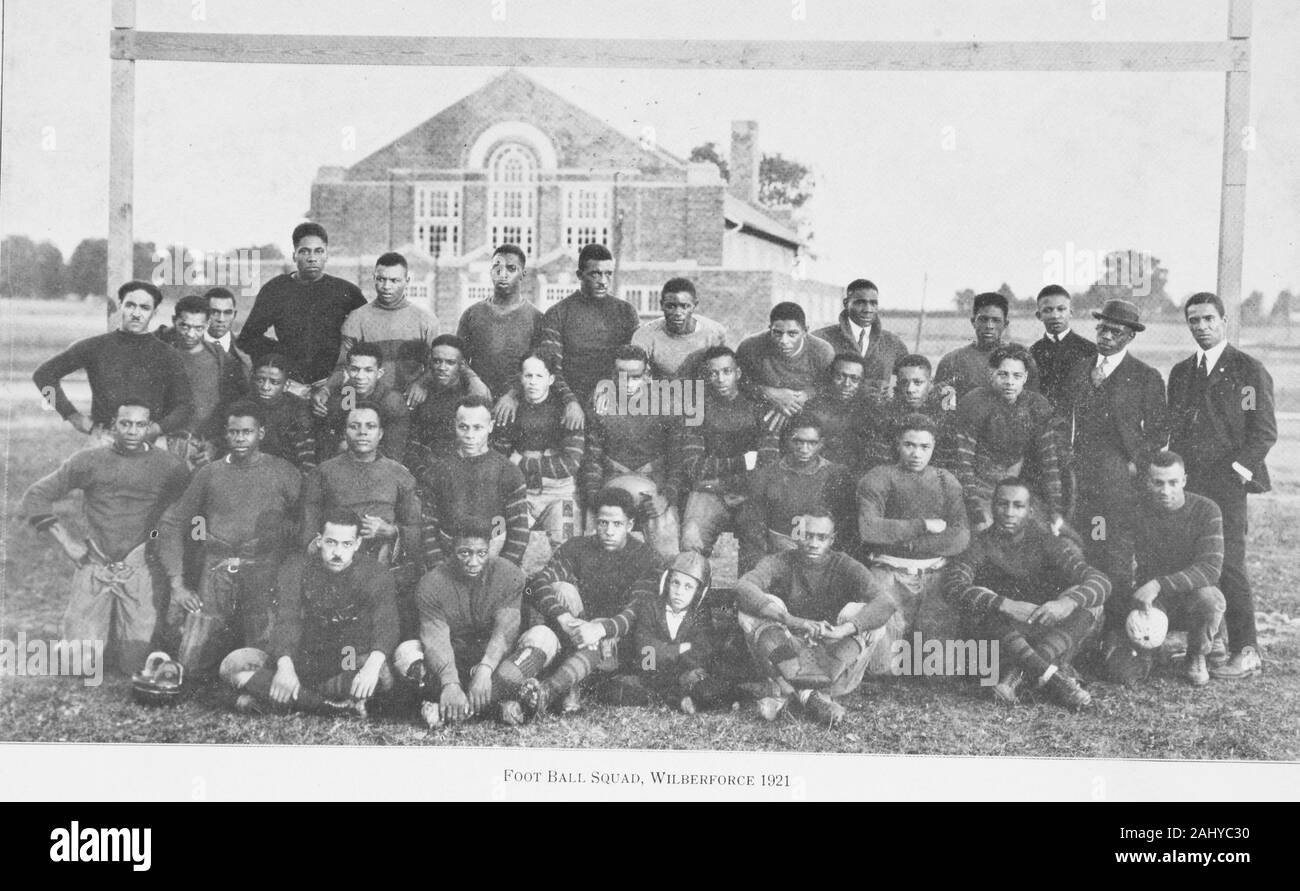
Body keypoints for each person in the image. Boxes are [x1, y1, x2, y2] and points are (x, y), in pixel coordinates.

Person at [19, 402, 190, 674]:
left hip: (141, 566)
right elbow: (35, 496)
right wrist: (67, 543)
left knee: (135, 664)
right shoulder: (89, 460)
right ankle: (97, 631)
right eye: (125, 423)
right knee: (78, 666)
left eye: (140, 424)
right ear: (113, 425)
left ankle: (139, 631)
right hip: (96, 563)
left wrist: (154, 542)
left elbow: (174, 522)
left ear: (150, 427)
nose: (133, 431)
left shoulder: (171, 466)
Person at [1166, 292, 1274, 680]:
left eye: (1209, 319)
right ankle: (1211, 642)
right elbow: (1176, 433)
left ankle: (1247, 651)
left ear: (1224, 321)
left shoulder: (1247, 371)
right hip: (1190, 485)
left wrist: (1235, 474)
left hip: (1228, 487)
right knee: (1194, 560)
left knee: (1229, 564)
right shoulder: (1181, 373)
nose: (1202, 327)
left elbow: (1262, 434)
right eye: (1194, 320)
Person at [158, 400, 303, 679]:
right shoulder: (210, 473)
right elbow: (173, 523)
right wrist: (177, 584)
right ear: (226, 434)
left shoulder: (284, 472)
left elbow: (304, 523)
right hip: (217, 566)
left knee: (264, 655)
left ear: (260, 433)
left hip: (263, 566)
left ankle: (254, 683)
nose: (239, 438)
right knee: (192, 663)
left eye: (246, 432)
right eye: (234, 432)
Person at [944, 478, 1110, 709]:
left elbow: (1100, 581)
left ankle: (1017, 675)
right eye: (1003, 504)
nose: (1009, 513)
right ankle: (1055, 679)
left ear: (1030, 511)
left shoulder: (1047, 541)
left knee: (1090, 600)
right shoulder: (980, 545)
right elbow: (953, 585)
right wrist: (1005, 604)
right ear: (992, 507)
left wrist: (1067, 604)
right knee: (980, 599)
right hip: (1002, 636)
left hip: (1044, 630)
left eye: (1018, 506)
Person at [218, 509, 399, 717]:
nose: (338, 552)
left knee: (383, 675)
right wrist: (285, 667)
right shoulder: (297, 567)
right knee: (233, 665)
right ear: (319, 540)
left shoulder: (375, 573)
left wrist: (371, 668)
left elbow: (387, 624)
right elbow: (287, 618)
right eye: (331, 542)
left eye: (346, 544)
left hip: (345, 666)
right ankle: (328, 707)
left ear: (357, 544)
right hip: (303, 663)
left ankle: (286, 700)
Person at [510, 488, 666, 722]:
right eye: (603, 523)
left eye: (617, 524)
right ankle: (567, 685)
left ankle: (559, 688)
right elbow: (536, 583)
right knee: (563, 589)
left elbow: (637, 609)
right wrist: (565, 617)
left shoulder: (646, 557)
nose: (609, 531)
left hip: (615, 641)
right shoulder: (577, 547)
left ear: (630, 525)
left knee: (609, 633)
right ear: (595, 522)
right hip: (575, 630)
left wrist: (601, 629)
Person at [735, 509, 898, 727]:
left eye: (821, 537)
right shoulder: (781, 560)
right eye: (807, 535)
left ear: (832, 539)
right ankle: (809, 697)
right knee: (751, 610)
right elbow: (744, 586)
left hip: (832, 654)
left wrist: (844, 629)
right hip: (788, 650)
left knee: (866, 615)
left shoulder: (844, 564)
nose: (813, 543)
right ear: (796, 535)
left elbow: (886, 602)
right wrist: (791, 620)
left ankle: (794, 695)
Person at [390, 519, 549, 727]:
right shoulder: (431, 583)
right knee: (406, 652)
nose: (473, 561)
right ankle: (494, 705)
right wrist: (450, 682)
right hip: (452, 659)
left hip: (495, 662)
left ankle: (457, 708)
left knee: (544, 637)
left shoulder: (509, 574)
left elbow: (504, 633)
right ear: (451, 549)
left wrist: (485, 669)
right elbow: (435, 639)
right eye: (464, 553)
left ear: (490, 548)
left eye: (481, 553)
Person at [1098, 452, 1226, 688]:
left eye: (1173, 482)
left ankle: (1197, 653)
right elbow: (1119, 563)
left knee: (1210, 598)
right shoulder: (1134, 510)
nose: (1165, 490)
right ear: (1147, 482)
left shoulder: (1207, 510)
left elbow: (1210, 569)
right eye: (1158, 483)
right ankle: (1153, 651)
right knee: (1123, 675)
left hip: (1191, 596)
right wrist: (1130, 603)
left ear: (1184, 480)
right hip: (1151, 601)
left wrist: (1158, 584)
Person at [1060, 299, 1167, 578]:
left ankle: (1115, 616)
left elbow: (1158, 432)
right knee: (1081, 540)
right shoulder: (1080, 369)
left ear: (1130, 336)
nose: (1106, 336)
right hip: (1079, 473)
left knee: (1115, 547)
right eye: (1102, 329)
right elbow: (1065, 419)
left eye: (1116, 332)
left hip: (1119, 478)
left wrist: (1135, 464)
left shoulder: (1146, 376)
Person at [564, 551, 738, 714]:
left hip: (683, 676)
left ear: (699, 592)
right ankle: (677, 699)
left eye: (688, 587)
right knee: (618, 691)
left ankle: (684, 697)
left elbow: (702, 650)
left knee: (705, 686)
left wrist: (669, 655)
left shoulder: (700, 614)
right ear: (667, 581)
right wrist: (679, 649)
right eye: (675, 583)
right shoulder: (650, 606)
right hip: (649, 675)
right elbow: (646, 650)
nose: (679, 592)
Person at [493, 242, 638, 429]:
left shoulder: (626, 312)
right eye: (595, 274)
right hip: (567, 402)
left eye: (608, 274)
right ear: (579, 275)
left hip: (614, 397)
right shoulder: (558, 313)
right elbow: (550, 365)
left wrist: (609, 388)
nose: (603, 281)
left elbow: (634, 363)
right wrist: (571, 401)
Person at [857, 414, 971, 646]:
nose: (916, 453)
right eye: (909, 445)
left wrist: (911, 544)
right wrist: (923, 525)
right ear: (897, 443)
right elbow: (869, 528)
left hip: (934, 573)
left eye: (924, 446)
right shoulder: (880, 476)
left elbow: (961, 535)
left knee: (939, 672)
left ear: (933, 447)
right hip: (888, 571)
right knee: (881, 668)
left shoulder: (945, 480)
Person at [33, 280, 193, 440]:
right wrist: (72, 416)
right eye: (130, 305)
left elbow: (185, 405)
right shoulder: (95, 346)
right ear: (120, 305)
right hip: (105, 439)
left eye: (144, 308)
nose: (136, 313)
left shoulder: (167, 354)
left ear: (154, 312)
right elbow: (43, 375)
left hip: (149, 444)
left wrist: (157, 428)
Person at [677, 345, 779, 561]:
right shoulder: (696, 411)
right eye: (713, 373)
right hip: (709, 493)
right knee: (690, 542)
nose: (720, 379)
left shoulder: (758, 409)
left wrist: (727, 480)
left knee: (757, 543)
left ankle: (748, 592)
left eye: (726, 372)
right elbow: (694, 467)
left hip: (748, 490)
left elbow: (768, 463)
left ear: (737, 373)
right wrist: (743, 461)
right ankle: (693, 592)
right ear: (705, 376)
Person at [236, 222, 366, 389]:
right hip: (290, 385)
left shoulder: (346, 291)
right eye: (304, 251)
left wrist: (341, 371)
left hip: (334, 384)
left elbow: (366, 337)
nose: (312, 258)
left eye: (319, 251)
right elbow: (248, 338)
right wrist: (282, 358)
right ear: (294, 256)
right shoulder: (276, 289)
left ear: (327, 255)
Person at [579, 345, 680, 556]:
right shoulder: (599, 400)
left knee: (665, 538)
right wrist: (594, 496)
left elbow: (677, 457)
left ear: (647, 374)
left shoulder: (666, 401)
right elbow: (592, 456)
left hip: (653, 483)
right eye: (621, 376)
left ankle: (663, 584)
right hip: (612, 481)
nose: (627, 383)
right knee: (592, 540)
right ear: (613, 374)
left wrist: (666, 496)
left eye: (635, 376)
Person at [952, 345, 1063, 530]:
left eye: (1017, 376)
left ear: (1025, 377)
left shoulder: (1036, 405)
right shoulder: (975, 402)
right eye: (1003, 374)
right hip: (981, 488)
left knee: (1043, 533)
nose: (1010, 381)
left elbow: (1049, 463)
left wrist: (1055, 511)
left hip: (1015, 489)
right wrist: (976, 512)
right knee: (986, 531)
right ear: (991, 373)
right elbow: (963, 464)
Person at [301, 402, 422, 570]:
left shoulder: (399, 474)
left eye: (370, 426)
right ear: (344, 433)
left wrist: (392, 531)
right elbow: (309, 526)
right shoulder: (323, 472)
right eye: (354, 426)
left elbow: (416, 527)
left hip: (383, 562)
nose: (362, 432)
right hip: (335, 560)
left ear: (380, 433)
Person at [490, 353, 585, 566]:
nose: (533, 382)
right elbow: (499, 458)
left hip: (560, 494)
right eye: (528, 375)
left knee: (568, 542)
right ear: (520, 378)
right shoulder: (509, 409)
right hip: (519, 491)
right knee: (495, 538)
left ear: (551, 379)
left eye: (539, 376)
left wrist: (520, 460)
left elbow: (569, 465)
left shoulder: (568, 411)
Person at [416, 395, 530, 568]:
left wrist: (500, 572)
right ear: (455, 425)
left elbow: (519, 532)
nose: (470, 435)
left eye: (477, 428)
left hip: (494, 559)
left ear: (490, 427)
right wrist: (439, 570)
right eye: (463, 427)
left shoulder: (509, 472)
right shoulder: (437, 472)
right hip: (448, 562)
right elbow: (428, 530)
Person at [737, 415, 856, 574]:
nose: (804, 449)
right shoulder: (767, 475)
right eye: (798, 441)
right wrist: (763, 568)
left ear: (821, 443)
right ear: (787, 440)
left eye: (812, 443)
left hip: (820, 558)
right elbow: (753, 531)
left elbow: (845, 529)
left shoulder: (836, 475)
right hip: (776, 556)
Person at [321, 251, 439, 404]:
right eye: (381, 279)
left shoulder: (426, 320)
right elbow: (343, 368)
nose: (386, 286)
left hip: (410, 402)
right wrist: (326, 390)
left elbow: (436, 364)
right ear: (374, 278)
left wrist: (421, 384)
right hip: (368, 404)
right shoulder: (356, 319)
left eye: (394, 280)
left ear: (407, 281)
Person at [155, 294, 249, 467]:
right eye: (184, 326)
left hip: (206, 450)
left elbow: (234, 409)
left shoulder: (224, 361)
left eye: (198, 328)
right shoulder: (160, 356)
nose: (190, 334)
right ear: (174, 321)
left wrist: (217, 446)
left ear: (207, 325)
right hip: (164, 447)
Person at [456, 244, 545, 400]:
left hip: (519, 402)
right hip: (480, 398)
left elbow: (539, 367)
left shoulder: (536, 318)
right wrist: (474, 381)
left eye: (511, 269)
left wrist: (513, 396)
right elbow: (458, 358)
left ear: (522, 274)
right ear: (491, 272)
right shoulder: (472, 314)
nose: (503, 274)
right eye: (497, 268)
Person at [735, 302, 836, 430]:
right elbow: (737, 382)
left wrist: (806, 395)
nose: (784, 341)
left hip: (807, 414)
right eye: (777, 333)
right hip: (763, 413)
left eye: (792, 334)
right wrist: (767, 392)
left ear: (805, 331)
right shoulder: (750, 347)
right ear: (769, 328)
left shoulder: (822, 351)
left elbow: (830, 386)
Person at [812, 279, 908, 403]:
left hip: (877, 416)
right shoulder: (821, 338)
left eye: (873, 303)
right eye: (860, 303)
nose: (868, 309)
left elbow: (912, 377)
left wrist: (891, 393)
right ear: (846, 303)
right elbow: (806, 381)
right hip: (833, 415)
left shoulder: (892, 342)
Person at [312, 343, 410, 463]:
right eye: (355, 369)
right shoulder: (347, 393)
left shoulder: (392, 401)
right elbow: (328, 440)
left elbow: (394, 453)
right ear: (347, 370)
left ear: (379, 373)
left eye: (368, 370)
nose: (360, 376)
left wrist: (351, 448)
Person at [935, 291, 1040, 398]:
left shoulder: (1021, 356)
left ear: (1005, 324)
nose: (989, 326)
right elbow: (943, 408)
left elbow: (1032, 400)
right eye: (983, 320)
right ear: (973, 322)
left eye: (996, 320)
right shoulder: (953, 361)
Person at [863, 354, 956, 471]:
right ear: (897, 384)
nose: (910, 389)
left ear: (930, 383)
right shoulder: (888, 415)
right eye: (904, 382)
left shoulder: (941, 414)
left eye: (918, 383)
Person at [407, 334, 493, 458]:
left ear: (461, 365)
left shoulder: (471, 394)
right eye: (437, 361)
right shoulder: (420, 391)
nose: (442, 368)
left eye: (450, 363)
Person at [630, 278, 728, 378]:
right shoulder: (646, 335)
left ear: (695, 305)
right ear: (662, 305)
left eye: (685, 306)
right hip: (662, 391)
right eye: (671, 306)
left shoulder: (714, 333)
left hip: (703, 392)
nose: (677, 313)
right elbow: (634, 379)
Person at [800, 352, 876, 474]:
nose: (846, 384)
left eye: (854, 379)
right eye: (840, 376)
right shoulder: (813, 408)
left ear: (862, 382)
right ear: (830, 376)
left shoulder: (870, 411)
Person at [1030, 284, 1096, 414]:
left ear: (1070, 312)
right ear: (1039, 315)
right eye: (1048, 310)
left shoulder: (1089, 350)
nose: (1055, 315)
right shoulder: (1033, 351)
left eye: (1061, 309)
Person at [247, 353, 317, 471]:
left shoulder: (297, 410)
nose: (265, 387)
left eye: (274, 382)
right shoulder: (243, 406)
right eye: (260, 380)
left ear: (286, 385)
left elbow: (307, 461)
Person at [203, 287, 252, 371]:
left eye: (227, 313)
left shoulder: (247, 349)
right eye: (214, 312)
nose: (221, 319)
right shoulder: (188, 345)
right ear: (203, 313)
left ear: (234, 315)